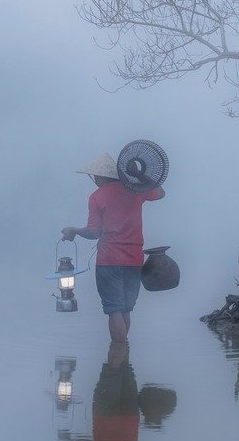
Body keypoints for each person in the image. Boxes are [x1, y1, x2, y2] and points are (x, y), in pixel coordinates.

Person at [61, 152, 164, 364]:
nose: (94, 180)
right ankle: (124, 362)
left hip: (109, 260)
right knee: (125, 307)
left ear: (100, 177)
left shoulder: (97, 197)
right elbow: (160, 192)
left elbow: (94, 232)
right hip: (135, 259)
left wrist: (74, 230)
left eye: (95, 177)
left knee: (114, 309)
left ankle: (117, 362)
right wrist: (141, 175)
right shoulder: (136, 189)